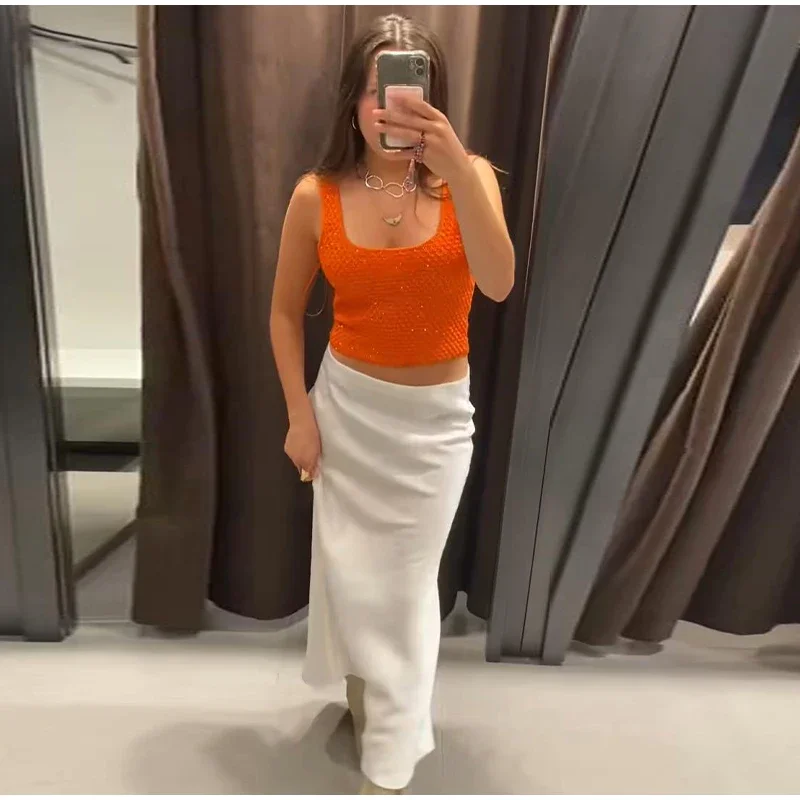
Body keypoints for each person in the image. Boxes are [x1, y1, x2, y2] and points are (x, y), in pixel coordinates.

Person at [270, 13, 514, 795]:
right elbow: (283, 314)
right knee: (351, 576)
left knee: (405, 585)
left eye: (409, 91)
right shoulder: (315, 196)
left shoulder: (471, 178)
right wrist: (299, 415)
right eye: (376, 93)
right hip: (347, 412)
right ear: (352, 101)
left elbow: (499, 283)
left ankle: (393, 735)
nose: (391, 108)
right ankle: (364, 695)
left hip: (435, 425)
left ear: (432, 98)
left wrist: (457, 169)